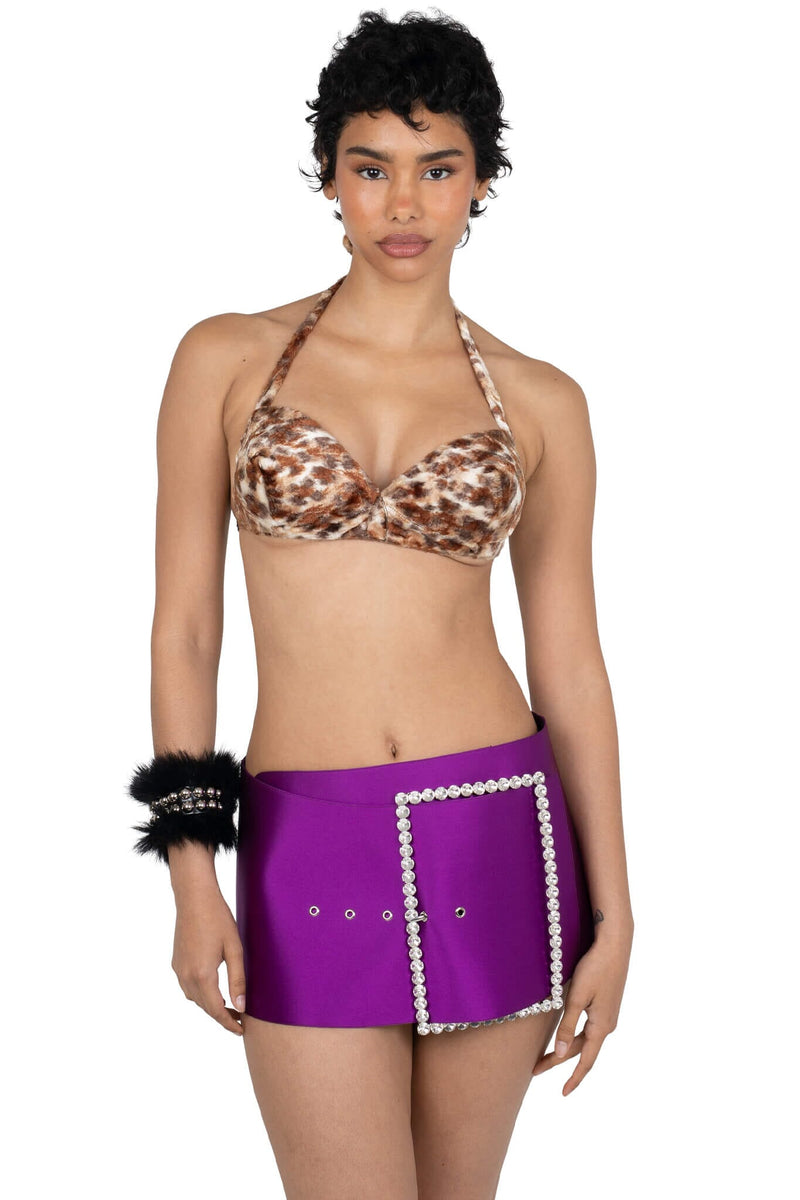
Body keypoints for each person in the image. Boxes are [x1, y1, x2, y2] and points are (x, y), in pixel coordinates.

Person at [127, 9, 634, 1198]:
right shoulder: (226, 360)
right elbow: (184, 632)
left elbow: (570, 665)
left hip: (494, 824)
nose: (402, 203)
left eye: (436, 169)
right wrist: (192, 874)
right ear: (328, 178)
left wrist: (616, 914)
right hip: (308, 835)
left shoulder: (542, 401)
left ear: (481, 181)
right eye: (370, 168)